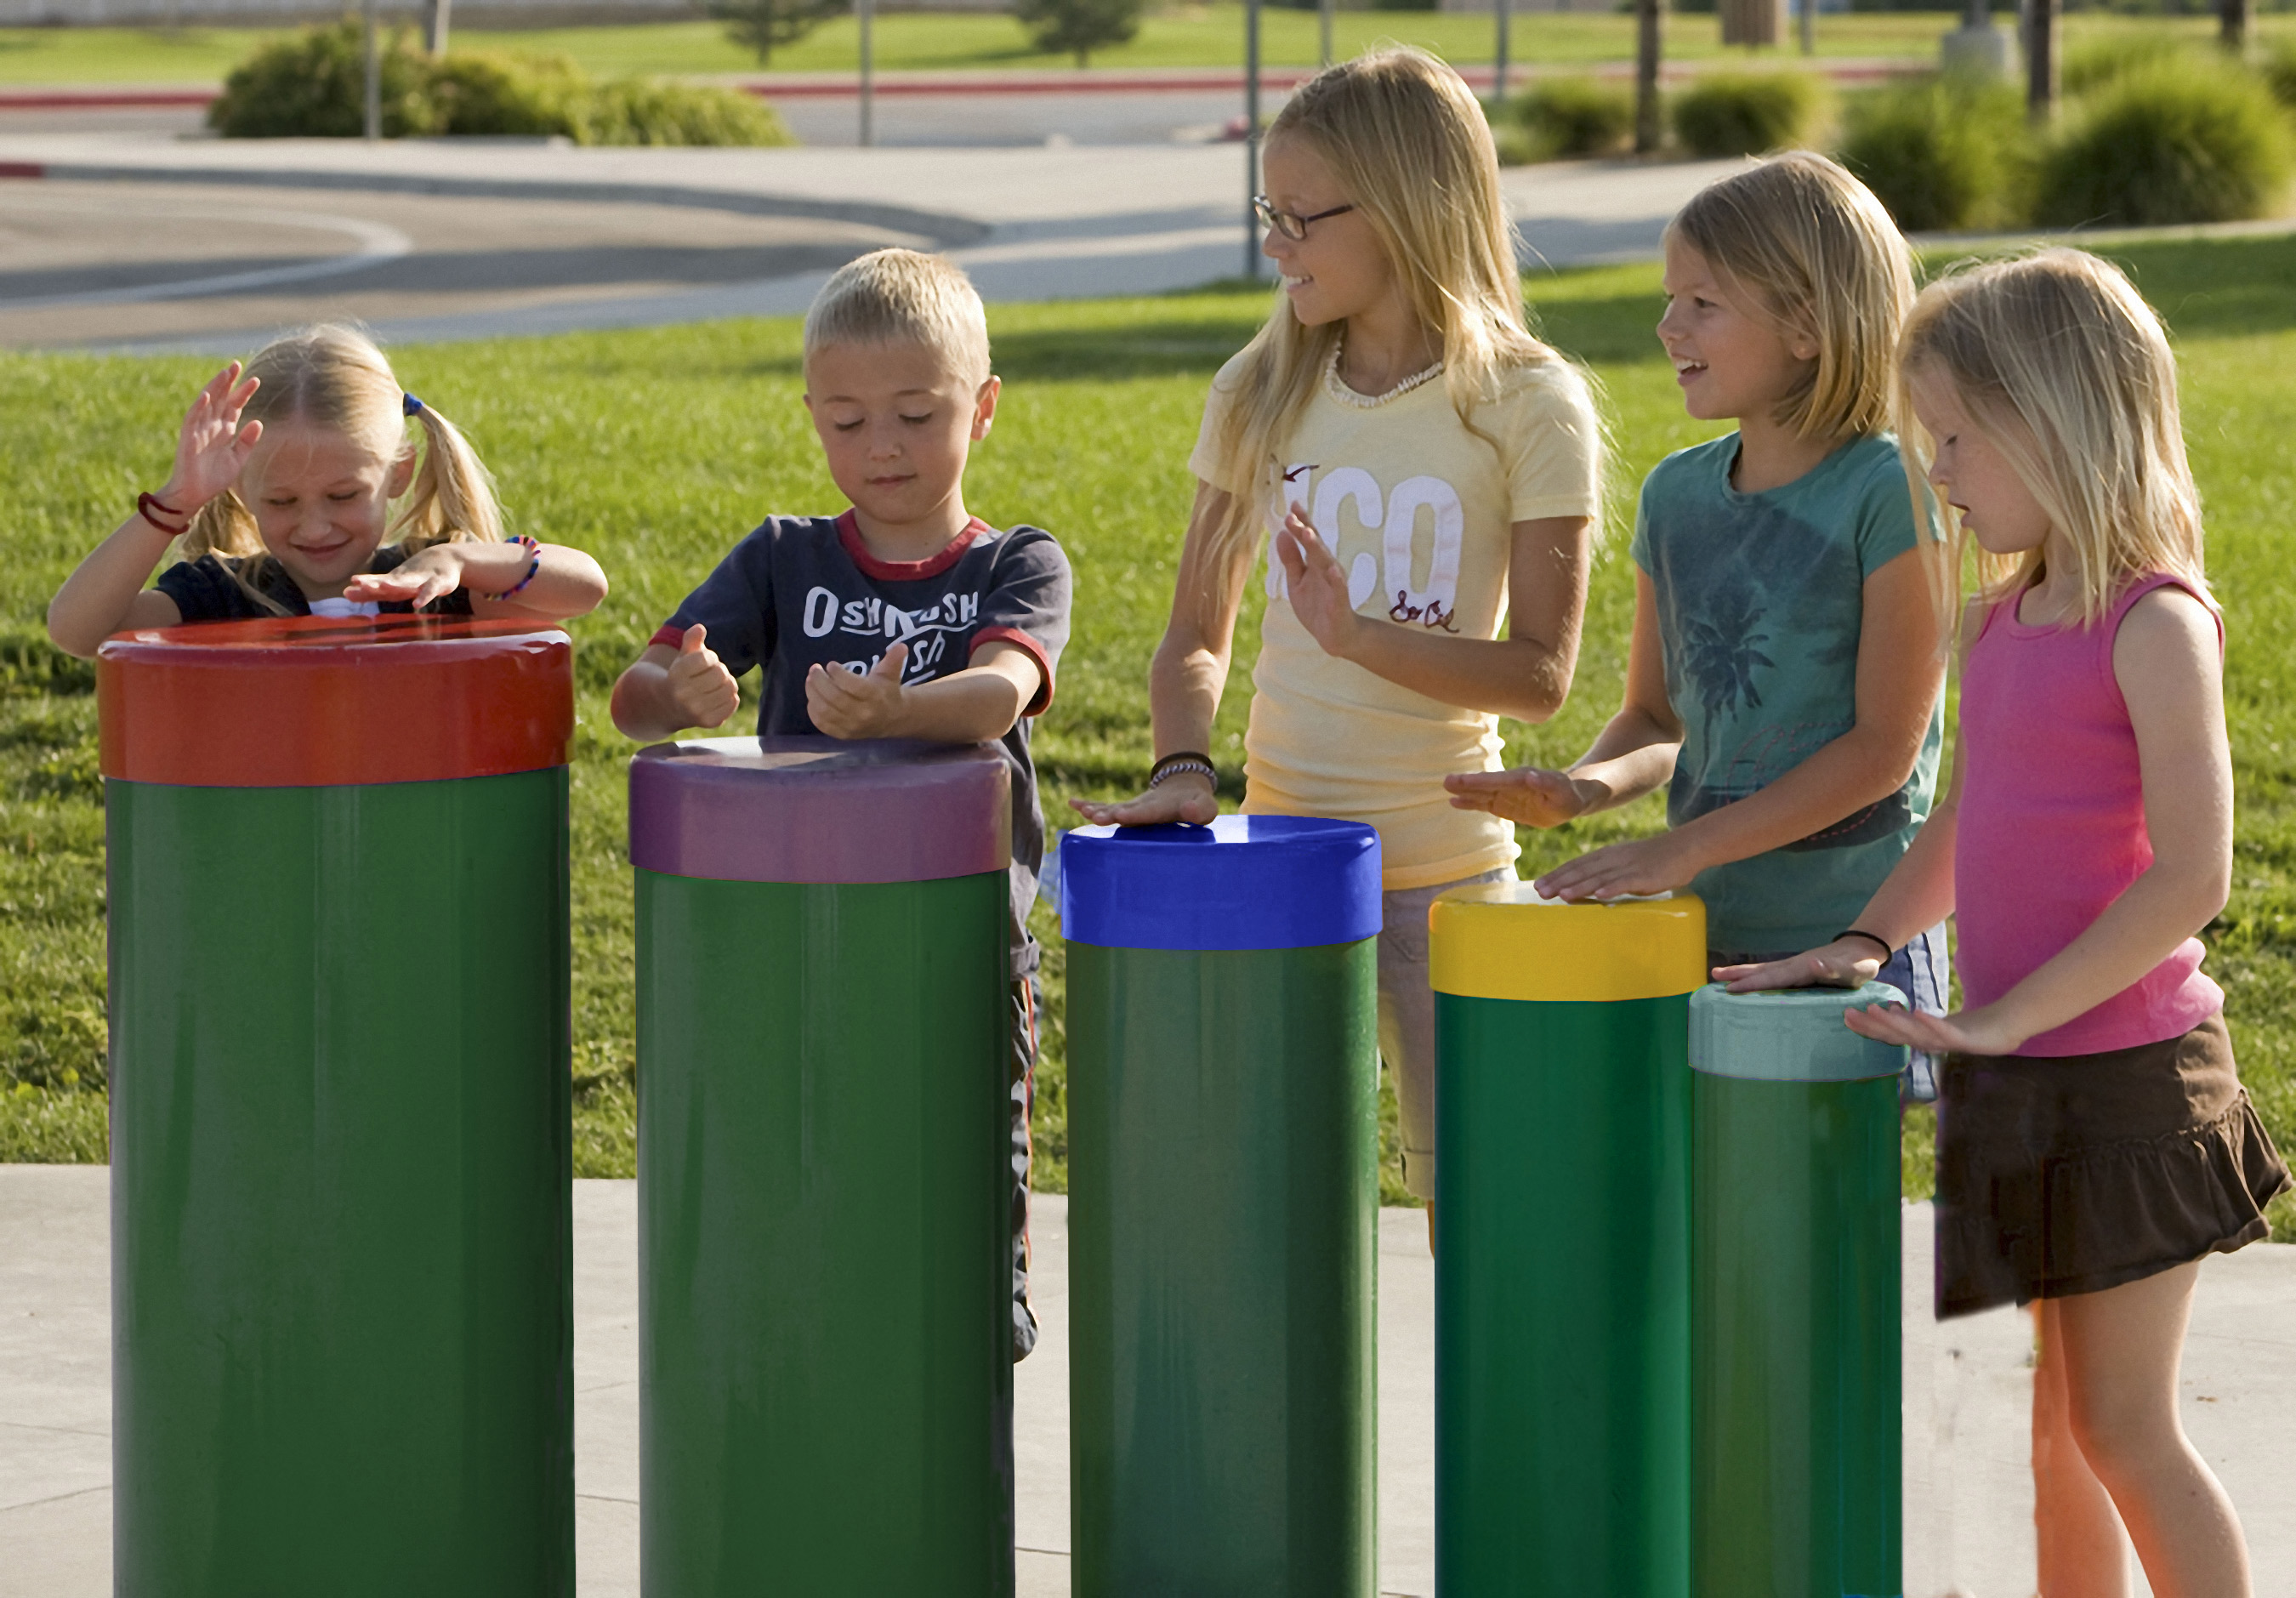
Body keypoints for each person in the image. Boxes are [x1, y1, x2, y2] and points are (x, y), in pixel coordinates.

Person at [1722, 249, 2288, 1597]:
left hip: (2132, 1086)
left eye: (1962, 436)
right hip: (2026, 1080)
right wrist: (1857, 942)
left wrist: (2003, 1018)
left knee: (2123, 1427)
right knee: (2057, 1433)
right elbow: (1961, 836)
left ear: (2062, 415)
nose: (1945, 469)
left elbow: (2192, 876)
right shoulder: (2001, 619)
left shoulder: (2155, 622)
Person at [1070, 47, 1605, 1228]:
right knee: (1272, 1220)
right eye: (1270, 213)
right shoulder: (1259, 391)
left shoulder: (1528, 400)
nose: (1277, 246)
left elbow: (1538, 678)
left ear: (1411, 205)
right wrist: (1180, 767)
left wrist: (1356, 633)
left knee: (1482, 1215)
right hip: (1282, 878)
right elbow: (1192, 641)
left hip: (1448, 884)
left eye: (1302, 217)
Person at [611, 247, 1071, 1362]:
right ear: (812, 416)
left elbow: (1002, 691)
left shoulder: (1017, 563)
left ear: (984, 406)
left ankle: (986, 1300)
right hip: (792, 933)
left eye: (917, 414)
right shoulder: (781, 557)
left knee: (965, 1135)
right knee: (801, 1146)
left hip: (960, 937)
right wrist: (676, 690)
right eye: (847, 420)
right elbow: (633, 697)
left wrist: (894, 712)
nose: (882, 447)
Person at [1444, 152, 1951, 1097]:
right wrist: (1583, 789)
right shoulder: (1677, 495)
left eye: (1703, 303)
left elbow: (1885, 749)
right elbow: (1656, 721)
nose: (1668, 324)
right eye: (1671, 298)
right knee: (1716, 1214)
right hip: (1702, 933)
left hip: (1855, 929)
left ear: (1807, 324)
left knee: (1817, 1217)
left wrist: (1680, 848)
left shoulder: (1892, 490)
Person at [47, 324, 606, 655]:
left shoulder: (435, 588)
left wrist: (462, 557)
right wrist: (175, 502)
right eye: (282, 501)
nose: (315, 526)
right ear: (241, 488)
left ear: (397, 472)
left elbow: (586, 587)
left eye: (343, 496)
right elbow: (78, 630)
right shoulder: (223, 597)